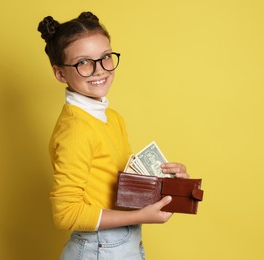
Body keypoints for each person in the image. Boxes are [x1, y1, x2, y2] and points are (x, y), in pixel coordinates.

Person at [37, 11, 190, 260]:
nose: (99, 70)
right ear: (60, 73)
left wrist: (172, 184)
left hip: (122, 244)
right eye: (83, 62)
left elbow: (125, 187)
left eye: (105, 58)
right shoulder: (76, 129)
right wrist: (140, 217)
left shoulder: (113, 118)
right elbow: (66, 212)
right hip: (98, 248)